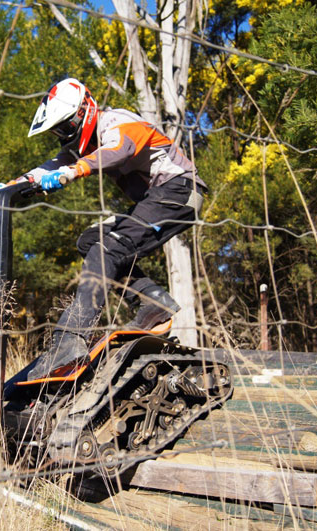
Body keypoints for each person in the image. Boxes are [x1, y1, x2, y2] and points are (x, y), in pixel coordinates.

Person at [22, 78, 206, 380]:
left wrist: (75, 170)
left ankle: (71, 337)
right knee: (91, 240)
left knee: (108, 248)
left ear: (84, 110)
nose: (63, 135)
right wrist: (11, 187)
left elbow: (120, 149)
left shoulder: (116, 121)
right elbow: (51, 165)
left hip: (179, 190)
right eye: (58, 131)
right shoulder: (87, 142)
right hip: (156, 197)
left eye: (65, 127)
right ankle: (153, 302)